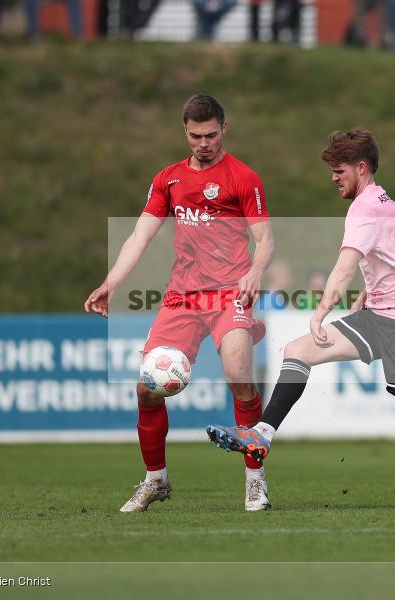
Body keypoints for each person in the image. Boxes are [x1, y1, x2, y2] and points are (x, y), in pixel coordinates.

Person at [207, 128, 395, 510]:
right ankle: (262, 434)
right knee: (299, 350)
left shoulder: (366, 208)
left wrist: (320, 313)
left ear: (361, 168)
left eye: (339, 170)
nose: (333, 177)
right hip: (379, 312)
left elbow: (343, 269)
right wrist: (372, 288)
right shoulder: (378, 201)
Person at [84, 94, 274, 513]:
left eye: (210, 134)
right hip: (182, 296)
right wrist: (111, 283)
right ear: (184, 131)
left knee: (240, 375)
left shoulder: (243, 178)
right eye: (195, 135)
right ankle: (155, 480)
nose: (203, 143)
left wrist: (255, 271)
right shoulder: (167, 179)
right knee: (146, 389)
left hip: (230, 292)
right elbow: (140, 236)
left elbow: (264, 238)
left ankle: (255, 481)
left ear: (225, 129)